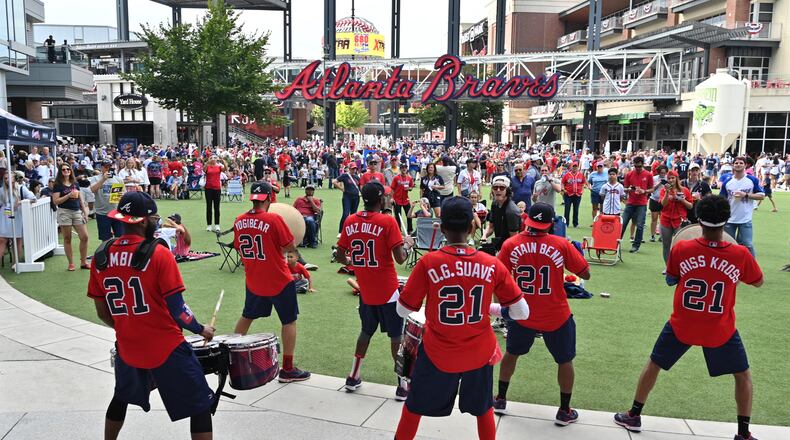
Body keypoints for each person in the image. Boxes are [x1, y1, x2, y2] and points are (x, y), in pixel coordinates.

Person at [613, 195, 763, 440]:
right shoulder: (741, 253)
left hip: (682, 323)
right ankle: (744, 433)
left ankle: (634, 414)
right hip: (720, 327)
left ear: (699, 221)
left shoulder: (682, 247)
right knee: (743, 376)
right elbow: (758, 282)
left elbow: (671, 278)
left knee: (654, 364)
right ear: (727, 220)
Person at [394, 196, 529, 440]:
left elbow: (403, 310)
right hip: (480, 351)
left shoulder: (428, 262)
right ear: (472, 226)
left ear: (442, 227)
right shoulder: (492, 264)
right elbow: (522, 312)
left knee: (413, 406)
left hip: (438, 351)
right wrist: (493, 309)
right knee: (483, 408)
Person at [87, 191, 216, 440]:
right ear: (144, 220)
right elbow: (178, 310)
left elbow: (102, 312)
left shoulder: (101, 255)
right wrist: (202, 329)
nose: (158, 221)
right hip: (166, 346)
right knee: (200, 402)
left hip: (127, 346)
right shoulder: (159, 253)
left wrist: (128, 327)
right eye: (155, 217)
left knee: (121, 396)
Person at [493, 202, 591, 425]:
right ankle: (564, 410)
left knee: (512, 353)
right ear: (549, 223)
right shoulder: (561, 244)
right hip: (556, 314)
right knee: (565, 360)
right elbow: (586, 272)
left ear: (527, 221)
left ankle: (500, 398)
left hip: (522, 313)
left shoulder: (511, 244)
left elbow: (498, 277)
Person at [336, 181, 413, 399]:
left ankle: (353, 376)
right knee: (396, 336)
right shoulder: (387, 222)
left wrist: (358, 262)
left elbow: (341, 256)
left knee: (365, 332)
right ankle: (403, 385)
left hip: (366, 290)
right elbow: (400, 259)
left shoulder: (350, 220)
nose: (389, 199)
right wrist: (407, 244)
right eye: (386, 196)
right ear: (380, 199)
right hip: (388, 290)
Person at [232, 181, 310, 383]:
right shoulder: (274, 219)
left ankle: (231, 358)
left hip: (254, 278)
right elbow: (289, 245)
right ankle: (288, 369)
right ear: (268, 198)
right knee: (289, 320)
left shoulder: (239, 220)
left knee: (247, 316)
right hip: (278, 279)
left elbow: (239, 247)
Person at [719, 157, 764, 256]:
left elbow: (762, 196)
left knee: (748, 245)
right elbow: (721, 199)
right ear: (733, 165)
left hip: (745, 219)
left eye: (741, 163)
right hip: (730, 219)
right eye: (736, 163)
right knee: (729, 245)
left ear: (745, 165)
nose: (738, 164)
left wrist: (746, 195)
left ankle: (754, 268)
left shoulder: (752, 180)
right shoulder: (727, 181)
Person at [52, 163, 90, 271]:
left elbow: (80, 198)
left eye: (68, 169)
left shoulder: (75, 183)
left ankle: (83, 262)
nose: (66, 171)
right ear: (60, 171)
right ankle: (71, 263)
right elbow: (55, 201)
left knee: (84, 237)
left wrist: (84, 211)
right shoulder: (58, 184)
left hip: (76, 211)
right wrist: (68, 195)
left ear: (71, 170)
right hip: (64, 212)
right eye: (63, 169)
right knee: (67, 238)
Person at [658, 171, 693, 263]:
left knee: (682, 246)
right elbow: (663, 204)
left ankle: (681, 267)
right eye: (669, 178)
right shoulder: (663, 190)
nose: (671, 180)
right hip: (665, 220)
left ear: (677, 179)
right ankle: (668, 267)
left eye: (673, 178)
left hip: (680, 220)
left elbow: (690, 206)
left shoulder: (684, 190)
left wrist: (681, 199)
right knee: (666, 245)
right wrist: (666, 193)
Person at [622, 156, 653, 253]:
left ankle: (636, 245)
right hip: (630, 202)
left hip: (641, 203)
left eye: (639, 166)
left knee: (640, 225)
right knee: (622, 223)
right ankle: (616, 242)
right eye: (635, 166)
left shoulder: (648, 175)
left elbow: (651, 189)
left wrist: (644, 191)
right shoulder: (629, 174)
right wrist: (629, 189)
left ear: (643, 164)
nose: (637, 168)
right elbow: (625, 188)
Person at [482, 176, 520, 253]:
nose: (498, 190)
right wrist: (484, 236)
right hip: (499, 245)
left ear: (508, 191)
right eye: (495, 188)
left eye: (502, 188)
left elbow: (514, 239)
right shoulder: (494, 204)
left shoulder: (511, 211)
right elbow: (491, 226)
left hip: (509, 248)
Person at [90, 159, 126, 241]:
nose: (108, 168)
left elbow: (124, 194)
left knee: (120, 237)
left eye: (110, 166)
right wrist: (103, 179)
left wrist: (122, 195)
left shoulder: (118, 179)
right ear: (101, 167)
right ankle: (106, 253)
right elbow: (92, 189)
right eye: (106, 166)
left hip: (117, 212)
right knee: (105, 239)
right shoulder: (95, 178)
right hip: (102, 213)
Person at [335, 164, 361, 235]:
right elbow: (334, 181)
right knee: (345, 214)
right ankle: (340, 231)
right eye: (352, 169)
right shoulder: (345, 175)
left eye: (355, 169)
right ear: (349, 169)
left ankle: (352, 231)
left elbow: (359, 186)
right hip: (347, 197)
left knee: (354, 214)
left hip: (356, 197)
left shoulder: (357, 177)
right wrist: (342, 189)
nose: (354, 170)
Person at [391, 163, 415, 234]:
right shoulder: (396, 178)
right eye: (402, 168)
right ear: (400, 169)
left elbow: (411, 187)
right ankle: (399, 230)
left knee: (409, 215)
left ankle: (410, 230)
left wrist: (409, 188)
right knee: (398, 216)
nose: (404, 169)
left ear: (407, 169)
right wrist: (392, 198)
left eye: (405, 168)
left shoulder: (409, 178)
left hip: (406, 200)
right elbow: (392, 188)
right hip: (397, 200)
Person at [203, 156, 224, 232]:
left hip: (217, 189)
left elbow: (226, 169)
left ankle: (217, 225)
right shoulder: (208, 166)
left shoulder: (219, 167)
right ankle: (209, 225)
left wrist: (223, 160)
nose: (213, 159)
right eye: (211, 158)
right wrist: (207, 162)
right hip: (208, 188)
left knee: (217, 207)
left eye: (214, 158)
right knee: (209, 207)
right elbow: (204, 169)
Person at [648, 165, 669, 242]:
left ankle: (661, 235)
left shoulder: (668, 178)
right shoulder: (654, 178)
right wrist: (660, 183)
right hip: (654, 199)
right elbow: (652, 189)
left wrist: (667, 184)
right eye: (661, 173)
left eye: (664, 173)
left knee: (663, 219)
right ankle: (652, 235)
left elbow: (672, 188)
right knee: (654, 218)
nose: (663, 174)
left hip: (664, 200)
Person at [560, 162, 584, 228]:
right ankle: (566, 224)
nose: (575, 168)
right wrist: (562, 189)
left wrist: (582, 190)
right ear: (571, 167)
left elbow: (583, 183)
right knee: (567, 209)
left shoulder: (580, 175)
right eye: (573, 166)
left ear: (578, 167)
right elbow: (562, 183)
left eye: (576, 166)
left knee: (576, 209)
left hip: (577, 195)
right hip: (568, 194)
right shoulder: (567, 175)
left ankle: (575, 224)